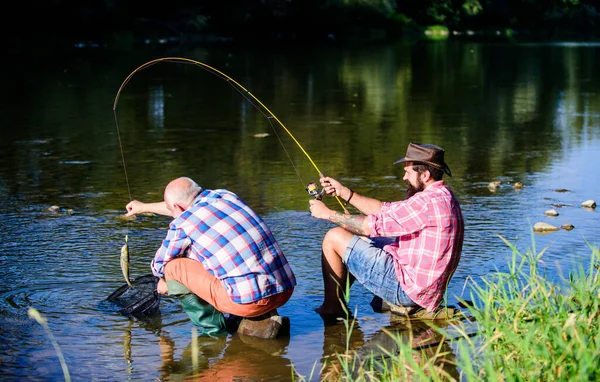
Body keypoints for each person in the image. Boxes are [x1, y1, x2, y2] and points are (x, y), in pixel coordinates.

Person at [308, 142, 464, 318]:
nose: (404, 177)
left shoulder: (426, 202)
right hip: (426, 291)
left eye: (408, 172)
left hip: (409, 292)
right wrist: (344, 192)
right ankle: (339, 305)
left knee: (334, 237)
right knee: (354, 234)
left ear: (425, 175)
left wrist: (327, 214)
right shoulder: (443, 196)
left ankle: (332, 308)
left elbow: (367, 226)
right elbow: (384, 209)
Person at [125, 177, 296, 335]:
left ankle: (214, 330)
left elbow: (159, 264)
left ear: (177, 208)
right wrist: (143, 207)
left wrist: (163, 281)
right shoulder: (225, 196)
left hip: (250, 303)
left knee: (173, 267)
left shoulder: (183, 223)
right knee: (209, 250)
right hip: (285, 290)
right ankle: (256, 317)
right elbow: (182, 207)